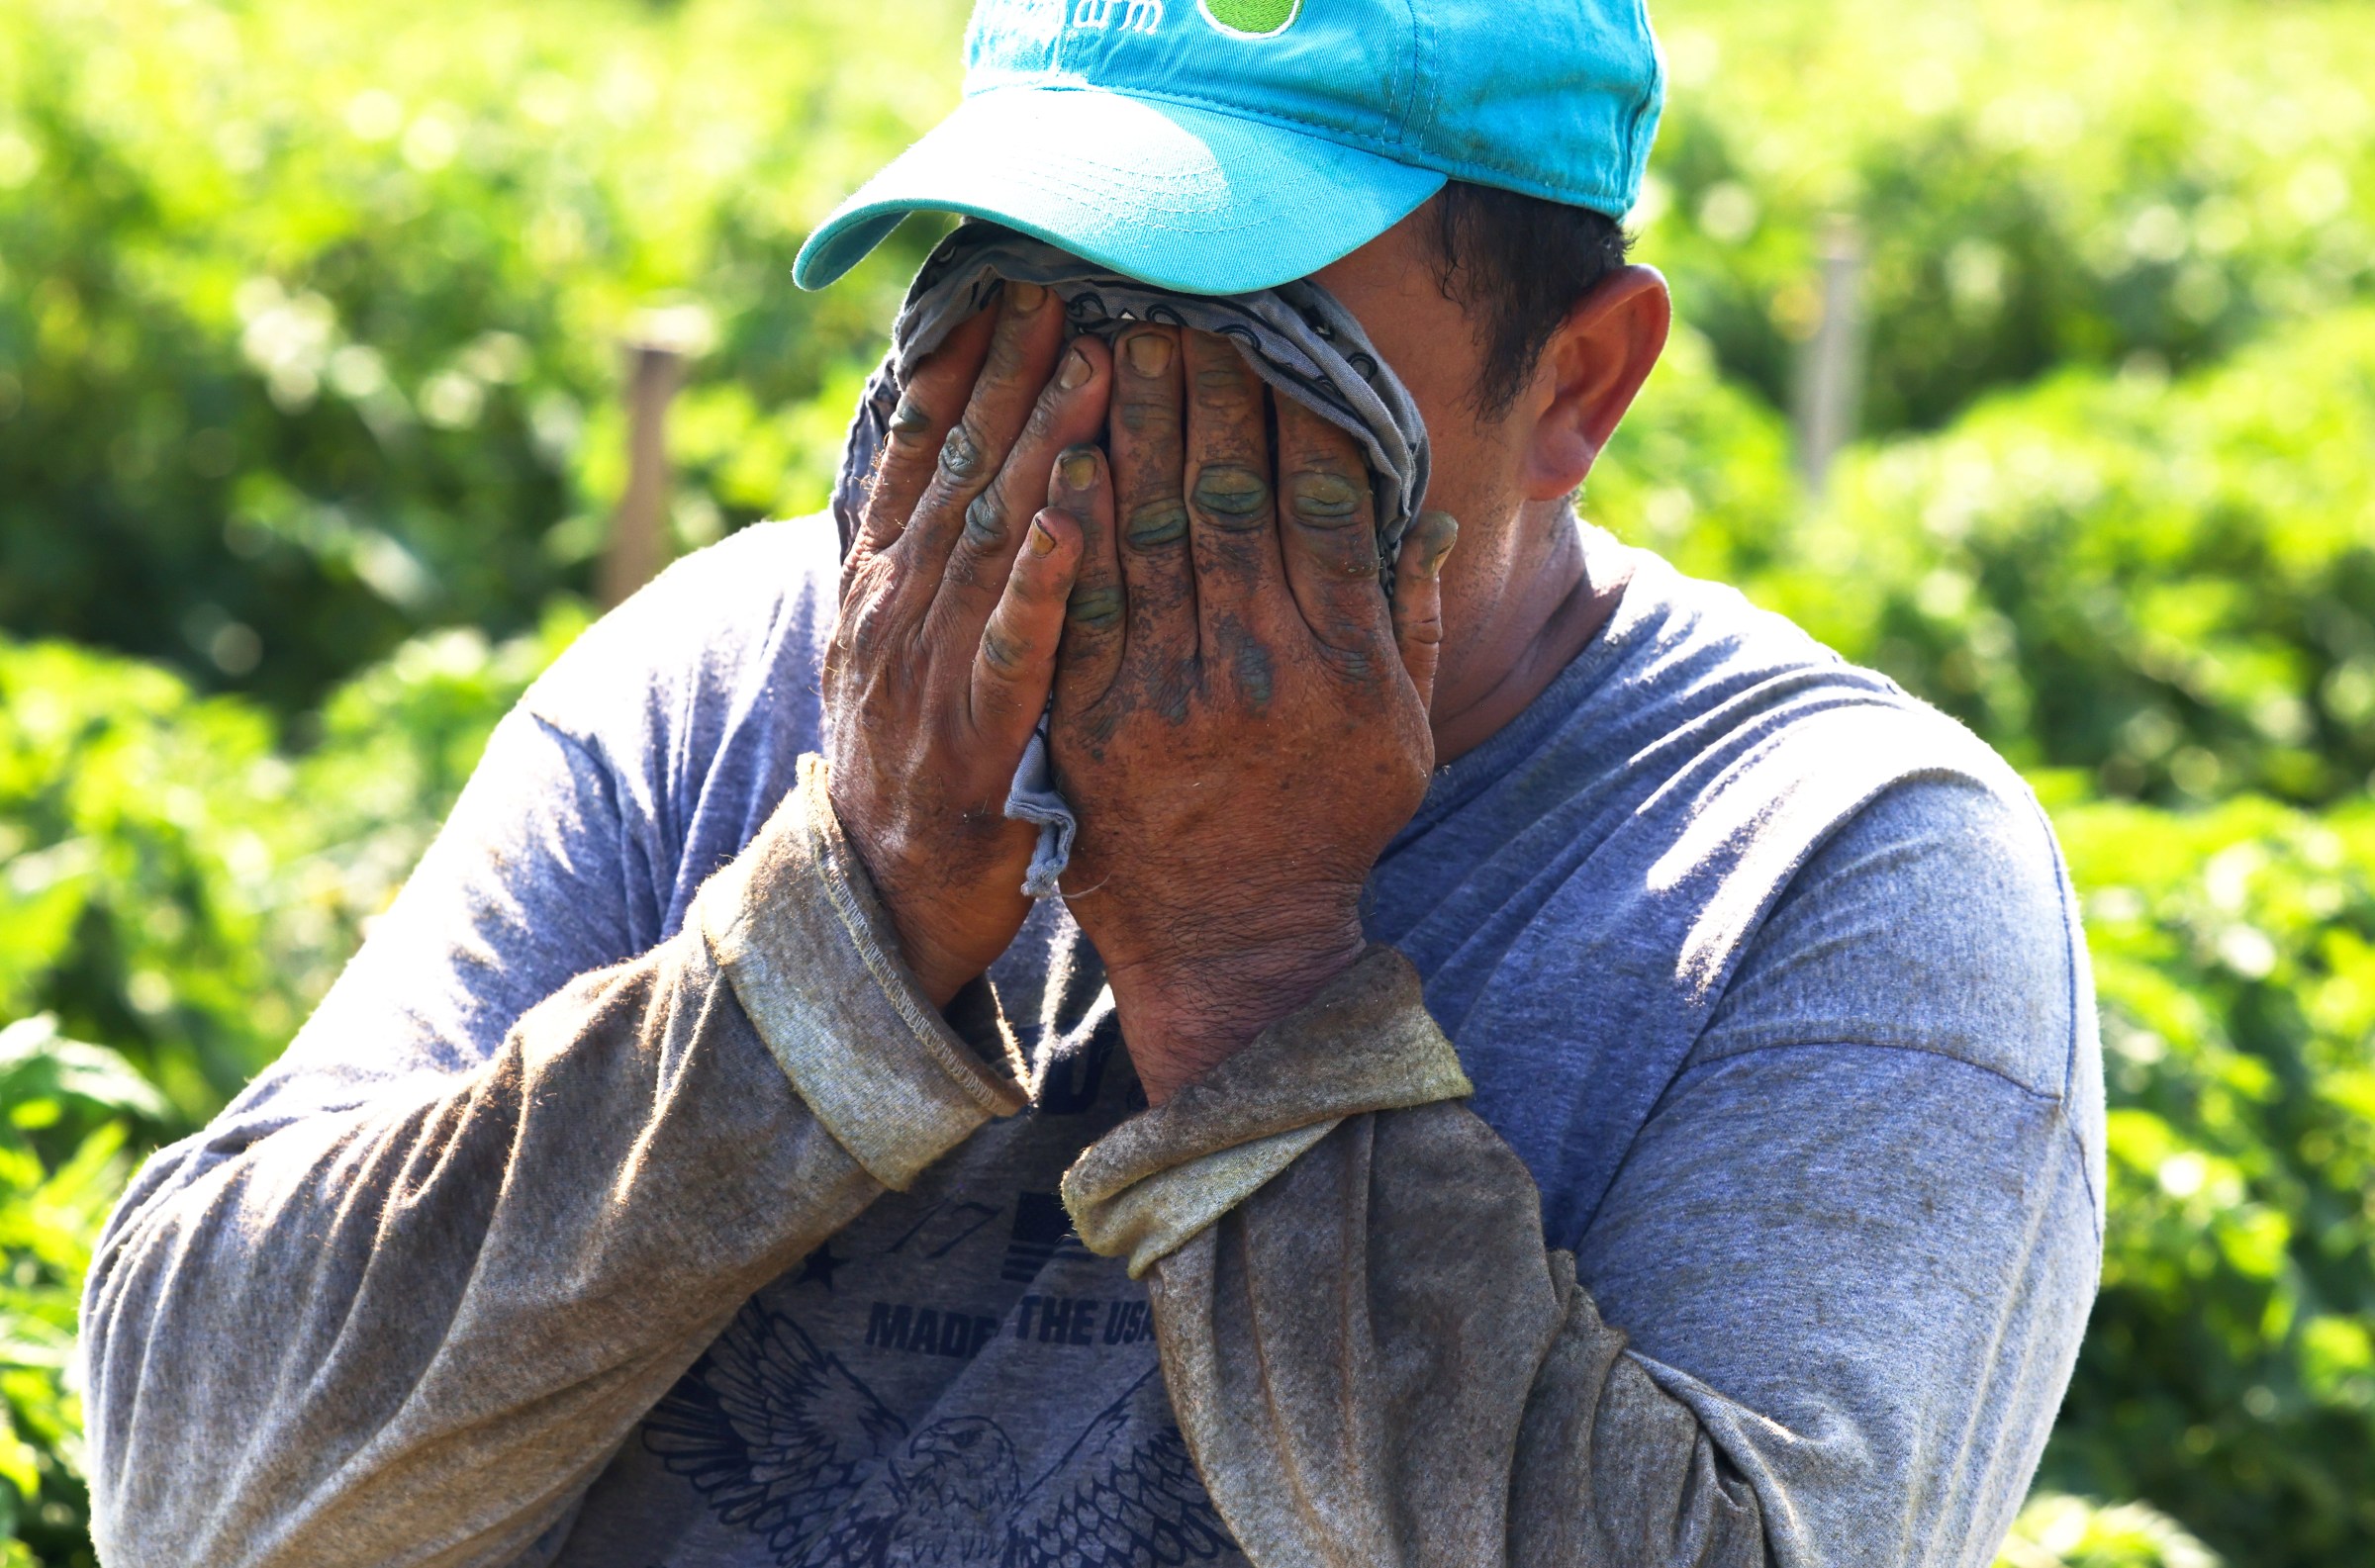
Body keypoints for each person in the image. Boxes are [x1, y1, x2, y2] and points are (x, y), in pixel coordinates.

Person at [80, 1, 2105, 1564]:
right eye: (1026, 299)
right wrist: (832, 941)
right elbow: (197, 1486)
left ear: (1573, 384)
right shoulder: (723, 685)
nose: (1092, 433)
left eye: (1241, 347)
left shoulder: (1833, 877)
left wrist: (1253, 974)